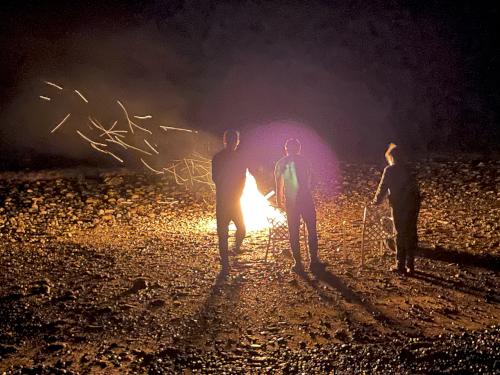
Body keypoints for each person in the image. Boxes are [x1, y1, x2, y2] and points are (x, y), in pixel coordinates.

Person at [274, 138, 324, 273]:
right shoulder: (304, 161)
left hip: (291, 201)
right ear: (298, 149)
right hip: (305, 198)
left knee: (293, 231)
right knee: (311, 229)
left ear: (286, 149)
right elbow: (310, 180)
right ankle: (313, 259)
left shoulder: (281, 163)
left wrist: (280, 201)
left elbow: (279, 184)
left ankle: (298, 262)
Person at [372, 143, 421, 275]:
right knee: (410, 232)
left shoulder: (390, 170)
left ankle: (400, 264)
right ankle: (411, 265)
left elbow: (382, 188)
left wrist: (375, 202)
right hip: (413, 204)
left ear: (391, 157)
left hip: (399, 205)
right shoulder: (409, 169)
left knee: (399, 233)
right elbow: (415, 187)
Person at [212, 130, 247, 273]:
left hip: (225, 199)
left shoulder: (218, 157)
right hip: (232, 200)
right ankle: (229, 257)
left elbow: (215, 178)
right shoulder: (239, 157)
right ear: (236, 141)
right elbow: (242, 178)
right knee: (240, 228)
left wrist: (225, 190)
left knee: (224, 231)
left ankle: (227, 259)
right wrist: (237, 193)